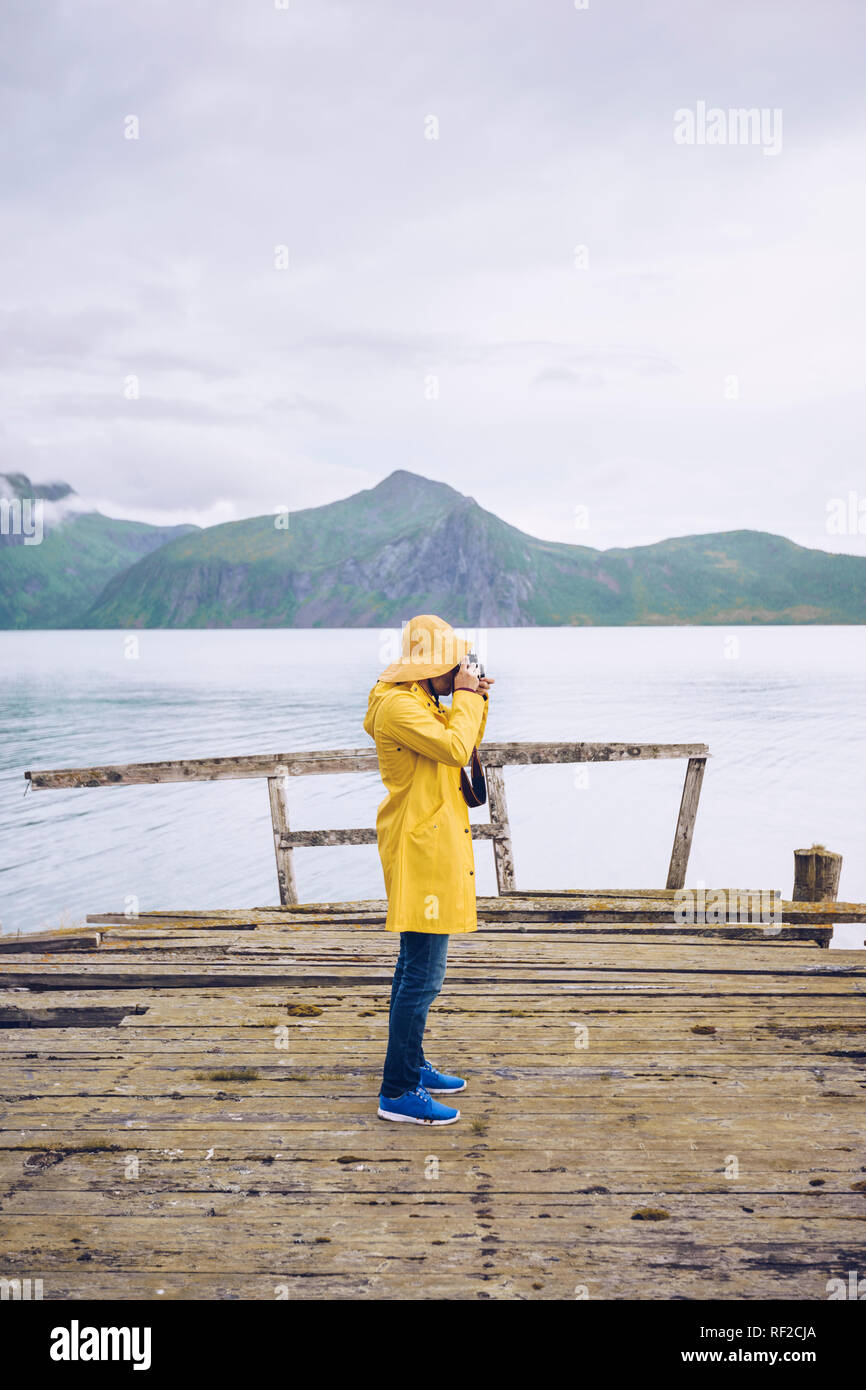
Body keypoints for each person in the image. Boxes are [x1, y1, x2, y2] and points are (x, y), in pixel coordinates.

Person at [362, 615, 495, 1125]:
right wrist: (464, 698)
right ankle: (397, 1090)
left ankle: (412, 1065)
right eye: (455, 662)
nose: (461, 668)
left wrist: (475, 699)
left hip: (434, 843)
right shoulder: (398, 706)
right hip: (421, 849)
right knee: (423, 975)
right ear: (434, 664)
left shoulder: (420, 700)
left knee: (414, 968)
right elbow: (454, 748)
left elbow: (463, 745)